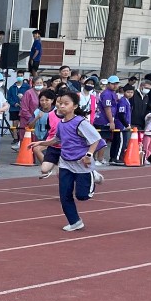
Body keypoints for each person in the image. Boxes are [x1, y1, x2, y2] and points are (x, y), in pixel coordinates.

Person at [52, 88, 105, 232]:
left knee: (82, 196)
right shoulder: (61, 123)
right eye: (60, 103)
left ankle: (94, 175)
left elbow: (96, 139)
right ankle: (75, 221)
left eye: (66, 103)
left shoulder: (81, 122)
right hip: (65, 162)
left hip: (81, 163)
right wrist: (41, 144)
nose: (62, 106)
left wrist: (89, 155)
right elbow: (57, 139)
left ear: (74, 106)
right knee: (64, 195)